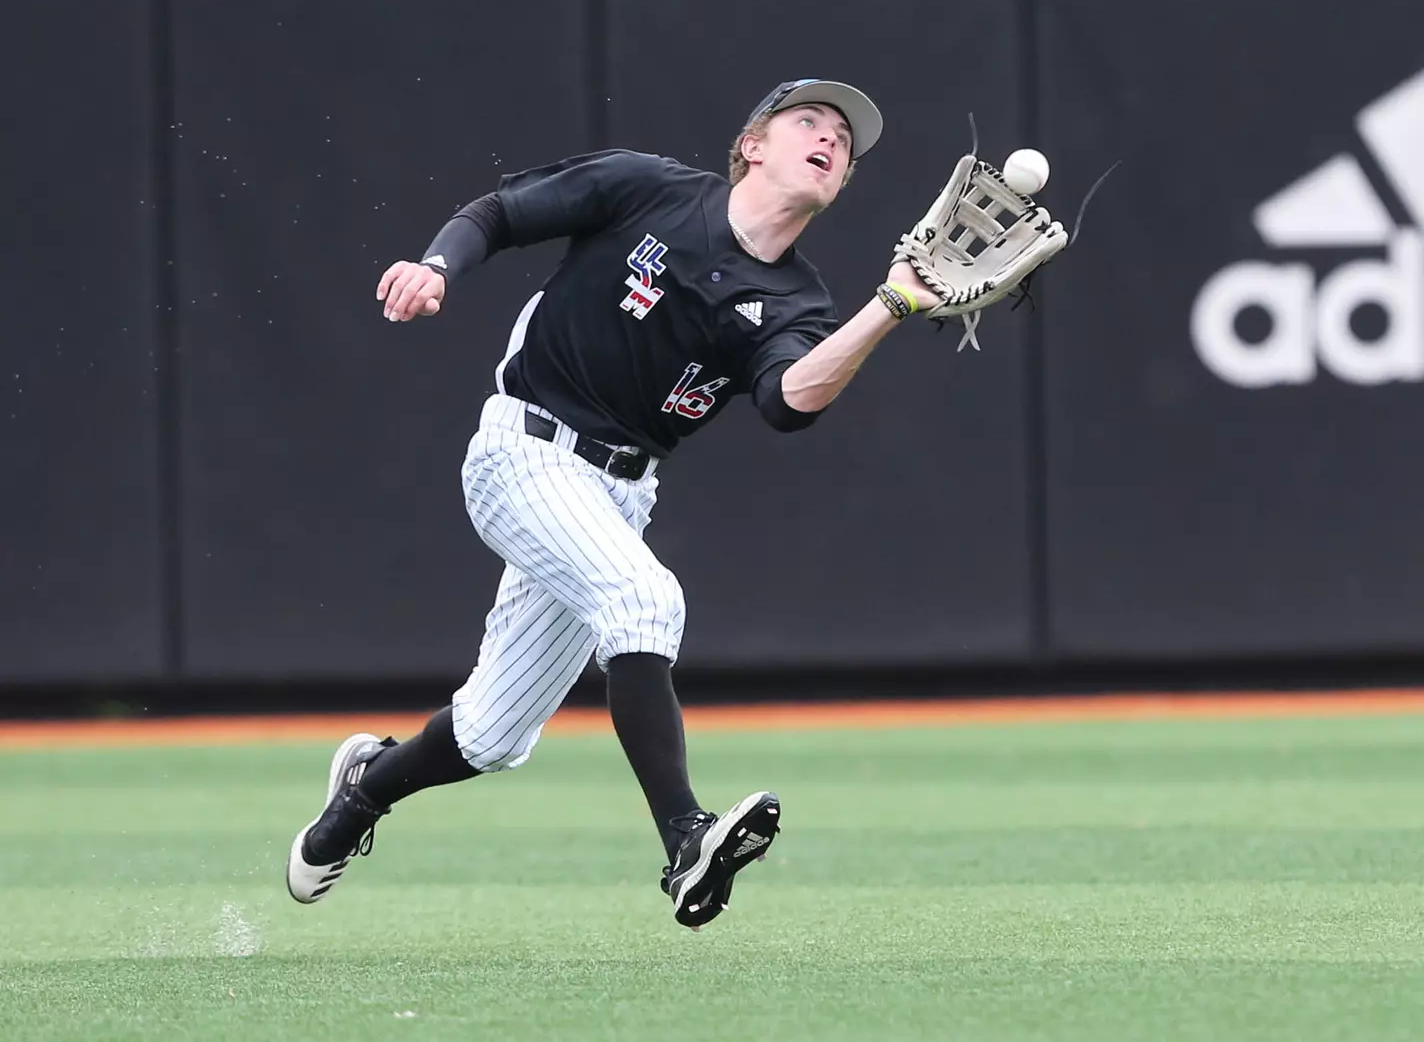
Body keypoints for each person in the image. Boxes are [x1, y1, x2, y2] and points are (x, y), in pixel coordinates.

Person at [283, 77, 942, 929]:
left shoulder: (798, 299)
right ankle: (686, 841)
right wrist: (436, 266)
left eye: (844, 143)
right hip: (524, 450)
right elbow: (501, 212)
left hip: (620, 492)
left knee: (491, 736)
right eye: (808, 121)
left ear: (842, 182)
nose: (829, 140)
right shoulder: (649, 187)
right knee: (644, 600)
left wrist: (890, 306)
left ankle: (361, 793)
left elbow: (788, 402)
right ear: (752, 145)